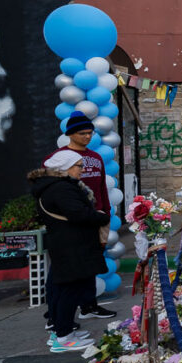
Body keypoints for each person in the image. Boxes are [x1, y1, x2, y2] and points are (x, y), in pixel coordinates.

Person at [29, 150, 111, 352]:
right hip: (71, 246)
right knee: (69, 290)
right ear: (65, 168)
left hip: (66, 244)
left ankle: (60, 331)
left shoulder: (55, 186)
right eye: (79, 166)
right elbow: (78, 214)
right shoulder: (61, 188)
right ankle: (64, 337)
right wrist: (101, 217)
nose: (82, 171)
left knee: (63, 289)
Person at [43, 111, 115, 319]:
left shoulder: (96, 157)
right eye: (82, 133)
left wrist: (106, 212)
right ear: (70, 134)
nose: (87, 137)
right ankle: (54, 313)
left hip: (94, 218)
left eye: (90, 133)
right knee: (62, 270)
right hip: (69, 222)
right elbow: (49, 190)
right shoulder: (56, 159)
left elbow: (102, 188)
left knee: (90, 264)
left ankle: (89, 305)